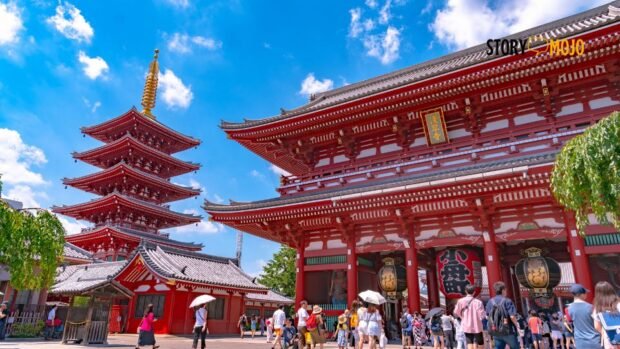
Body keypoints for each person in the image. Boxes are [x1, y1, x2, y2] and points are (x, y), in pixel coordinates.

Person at [485, 281, 520, 349]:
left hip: (496, 331)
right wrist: (517, 325)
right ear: (503, 290)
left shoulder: (490, 302)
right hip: (508, 330)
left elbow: (487, 316)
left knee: (498, 347)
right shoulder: (507, 301)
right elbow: (512, 316)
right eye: (505, 289)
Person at [567, 283, 600, 349]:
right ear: (581, 294)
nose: (586, 295)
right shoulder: (591, 307)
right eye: (585, 293)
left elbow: (570, 321)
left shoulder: (569, 309)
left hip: (580, 342)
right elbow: (597, 325)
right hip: (594, 341)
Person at [454, 284, 486, 349]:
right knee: (480, 342)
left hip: (466, 325)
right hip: (477, 325)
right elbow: (482, 315)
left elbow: (456, 312)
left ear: (466, 291)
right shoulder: (478, 302)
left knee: (469, 342)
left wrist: (462, 317)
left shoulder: (460, 301)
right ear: (474, 292)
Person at [593, 281, 620, 349]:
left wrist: (605, 332)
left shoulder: (598, 308)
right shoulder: (618, 304)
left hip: (609, 339)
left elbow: (596, 326)